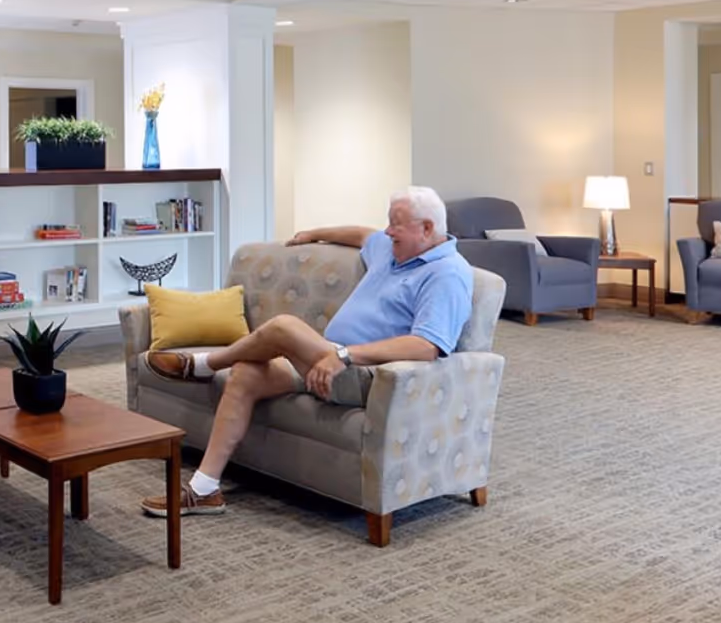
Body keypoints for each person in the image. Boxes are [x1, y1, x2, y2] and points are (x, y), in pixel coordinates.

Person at [137, 185, 474, 517]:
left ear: (427, 228)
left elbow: (426, 346)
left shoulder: (447, 274)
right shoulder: (394, 249)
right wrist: (313, 233)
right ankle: (204, 489)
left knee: (283, 327)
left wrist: (345, 356)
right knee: (246, 375)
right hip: (329, 358)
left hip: (367, 376)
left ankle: (205, 365)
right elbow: (362, 234)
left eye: (395, 226)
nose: (387, 232)